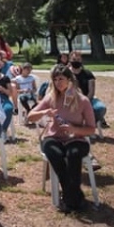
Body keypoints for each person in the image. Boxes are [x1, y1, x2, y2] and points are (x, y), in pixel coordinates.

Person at [27, 64, 96, 213]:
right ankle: (74, 196)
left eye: (61, 79)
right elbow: (30, 116)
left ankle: (69, 199)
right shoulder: (50, 98)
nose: (58, 82)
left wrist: (74, 129)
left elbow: (91, 128)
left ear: (70, 80)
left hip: (76, 139)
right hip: (54, 137)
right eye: (55, 79)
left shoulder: (82, 100)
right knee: (55, 153)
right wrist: (45, 111)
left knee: (74, 155)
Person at [70, 53, 108, 128]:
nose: (76, 61)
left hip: (88, 98)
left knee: (101, 108)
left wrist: (85, 101)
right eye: (74, 59)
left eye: (78, 59)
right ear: (70, 60)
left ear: (81, 60)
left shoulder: (88, 73)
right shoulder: (67, 74)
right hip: (71, 100)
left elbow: (91, 91)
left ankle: (92, 123)